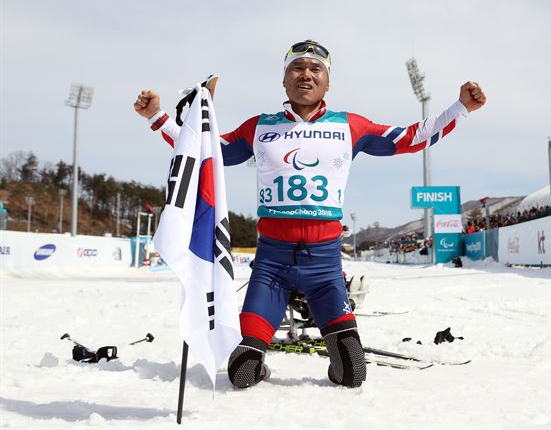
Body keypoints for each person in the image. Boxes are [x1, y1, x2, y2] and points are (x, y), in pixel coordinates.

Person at [134, 39, 486, 389]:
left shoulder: (350, 126)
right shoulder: (260, 126)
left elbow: (411, 137)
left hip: (325, 268)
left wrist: (460, 108)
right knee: (241, 371)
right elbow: (206, 150)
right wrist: (158, 118)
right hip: (272, 267)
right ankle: (260, 361)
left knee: (352, 373)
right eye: (297, 68)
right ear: (284, 80)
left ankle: (335, 333)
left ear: (328, 81)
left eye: (315, 68)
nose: (306, 74)